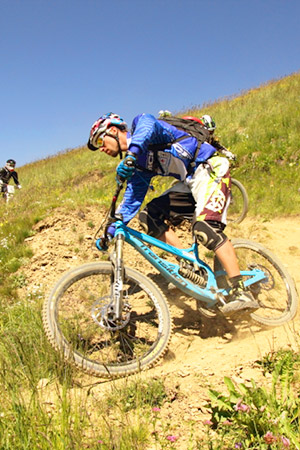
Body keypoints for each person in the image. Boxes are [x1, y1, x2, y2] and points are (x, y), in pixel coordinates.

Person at [87, 112, 258, 313]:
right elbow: (131, 201)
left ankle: (241, 290)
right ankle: (190, 267)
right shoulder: (140, 166)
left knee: (205, 228)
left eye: (100, 139)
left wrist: (132, 153)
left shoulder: (144, 128)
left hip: (210, 168)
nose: (101, 148)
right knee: (149, 217)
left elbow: (148, 123)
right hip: (188, 182)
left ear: (114, 130)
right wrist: (112, 229)